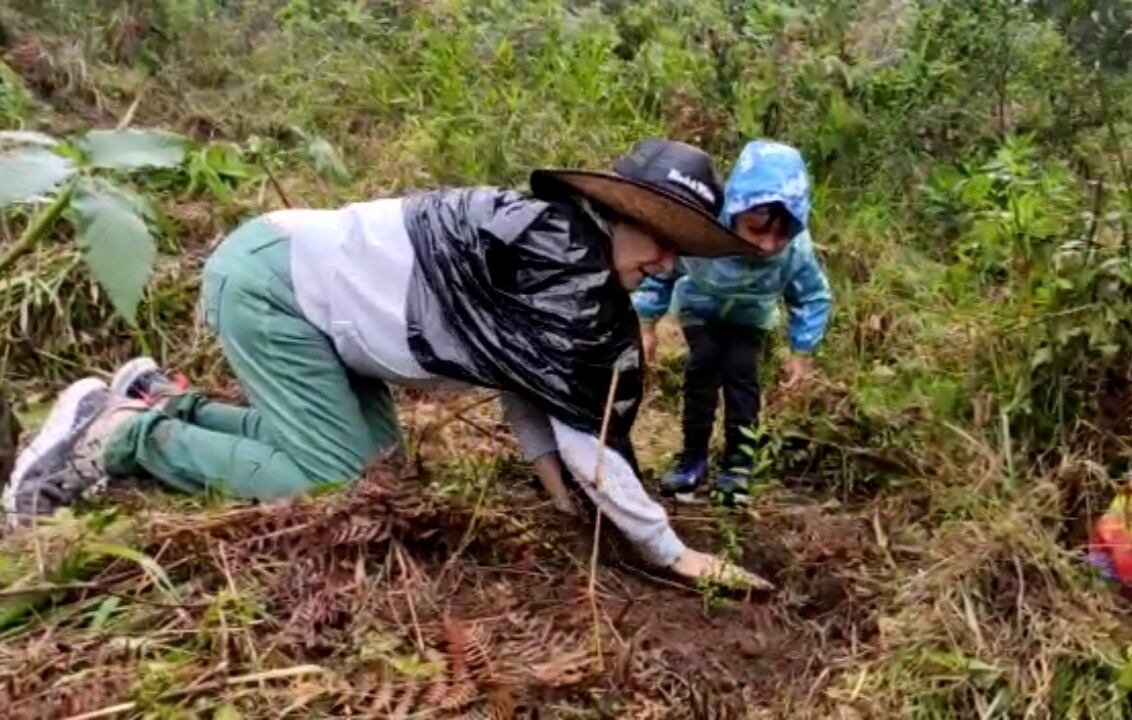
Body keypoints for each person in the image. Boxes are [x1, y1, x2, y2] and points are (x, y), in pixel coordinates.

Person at [4, 139, 768, 588]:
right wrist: (673, 553)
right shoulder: (563, 264)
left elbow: (524, 374)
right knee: (334, 485)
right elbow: (586, 435)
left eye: (679, 247)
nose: (667, 261)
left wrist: (546, 472)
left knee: (379, 478)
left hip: (290, 279)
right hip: (275, 290)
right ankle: (121, 436)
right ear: (621, 213)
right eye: (660, 237)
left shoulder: (555, 249)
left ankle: (157, 399)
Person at [635, 140, 832, 505]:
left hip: (751, 316)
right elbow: (660, 270)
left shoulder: (795, 250)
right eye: (756, 230)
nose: (767, 245)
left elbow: (810, 295)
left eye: (781, 235)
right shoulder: (703, 226)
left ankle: (737, 467)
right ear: (737, 209)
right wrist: (645, 323)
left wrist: (801, 350)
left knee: (742, 376)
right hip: (700, 308)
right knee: (703, 368)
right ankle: (692, 459)